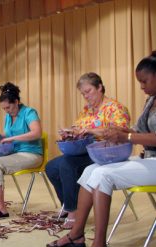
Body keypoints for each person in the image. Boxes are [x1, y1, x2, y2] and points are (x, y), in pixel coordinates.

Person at [46, 51, 156, 247]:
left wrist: (126, 135)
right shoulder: (150, 100)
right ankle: (77, 234)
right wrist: (116, 132)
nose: (141, 86)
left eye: (144, 81)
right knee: (90, 170)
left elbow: (133, 134)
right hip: (149, 158)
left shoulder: (118, 106)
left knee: (103, 174)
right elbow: (137, 130)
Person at [45, 73, 130, 229]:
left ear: (100, 87)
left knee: (67, 164)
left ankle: (73, 212)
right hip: (87, 151)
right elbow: (79, 128)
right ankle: (68, 203)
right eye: (83, 93)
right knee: (51, 167)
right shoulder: (87, 110)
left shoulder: (115, 108)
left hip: (107, 153)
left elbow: (121, 131)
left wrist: (90, 130)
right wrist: (70, 132)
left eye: (88, 91)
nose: (85, 96)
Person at [0, 82, 43, 219]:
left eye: (8, 107)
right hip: (16, 153)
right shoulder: (8, 116)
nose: (7, 111)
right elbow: (9, 134)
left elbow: (37, 133)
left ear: (16, 102)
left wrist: (12, 138)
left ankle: (1, 208)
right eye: (4, 108)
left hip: (32, 154)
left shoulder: (29, 112)